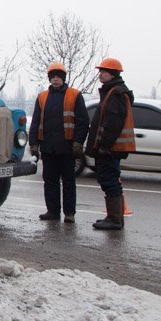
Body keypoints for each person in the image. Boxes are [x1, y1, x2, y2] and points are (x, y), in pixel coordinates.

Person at [28, 62, 88, 222]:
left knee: (68, 182)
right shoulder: (42, 97)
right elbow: (35, 122)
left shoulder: (74, 95)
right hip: (48, 148)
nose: (55, 80)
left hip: (67, 148)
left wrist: (77, 143)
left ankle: (69, 213)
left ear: (63, 79)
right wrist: (33, 143)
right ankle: (52, 211)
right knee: (50, 181)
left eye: (58, 77)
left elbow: (82, 122)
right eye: (53, 77)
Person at [86, 57, 136, 230]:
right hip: (110, 148)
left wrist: (104, 146)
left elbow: (113, 123)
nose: (100, 74)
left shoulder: (115, 93)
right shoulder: (113, 91)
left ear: (113, 74)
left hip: (109, 149)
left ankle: (115, 220)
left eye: (104, 71)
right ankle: (114, 217)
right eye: (100, 71)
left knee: (109, 181)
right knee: (111, 180)